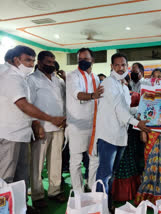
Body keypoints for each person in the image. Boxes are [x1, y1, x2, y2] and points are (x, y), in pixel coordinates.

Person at [0, 45, 65, 214]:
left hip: (23, 132)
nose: (31, 64)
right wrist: (46, 120)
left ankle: (21, 206)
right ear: (16, 60)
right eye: (28, 60)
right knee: (7, 177)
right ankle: (7, 209)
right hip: (11, 133)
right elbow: (23, 104)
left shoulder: (21, 76)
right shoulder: (11, 76)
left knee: (21, 175)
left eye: (32, 60)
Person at [91, 53, 150, 212]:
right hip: (108, 136)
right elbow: (119, 109)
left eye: (123, 65)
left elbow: (127, 109)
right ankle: (99, 207)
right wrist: (139, 123)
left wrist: (144, 107)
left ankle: (107, 203)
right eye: (116, 65)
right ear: (111, 67)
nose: (120, 68)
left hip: (120, 136)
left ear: (127, 66)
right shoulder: (109, 83)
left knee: (112, 174)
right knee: (104, 175)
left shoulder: (124, 87)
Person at [27, 51, 67, 208]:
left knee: (56, 160)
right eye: (47, 62)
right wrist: (35, 124)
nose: (50, 65)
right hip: (41, 127)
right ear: (39, 62)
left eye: (52, 62)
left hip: (59, 127)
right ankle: (37, 195)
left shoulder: (58, 81)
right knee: (37, 163)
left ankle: (54, 191)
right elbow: (29, 104)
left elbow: (65, 100)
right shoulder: (31, 80)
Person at [135, 68, 161, 205]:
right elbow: (141, 114)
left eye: (160, 76)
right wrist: (142, 131)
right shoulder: (146, 94)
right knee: (151, 164)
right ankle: (149, 194)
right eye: (154, 76)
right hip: (150, 134)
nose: (157, 79)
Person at [66, 48, 104, 192]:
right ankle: (78, 192)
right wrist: (93, 95)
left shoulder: (94, 77)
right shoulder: (72, 76)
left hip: (94, 124)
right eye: (80, 59)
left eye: (85, 59)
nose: (82, 61)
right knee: (76, 161)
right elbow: (78, 94)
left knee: (94, 158)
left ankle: (92, 188)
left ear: (92, 61)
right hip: (77, 126)